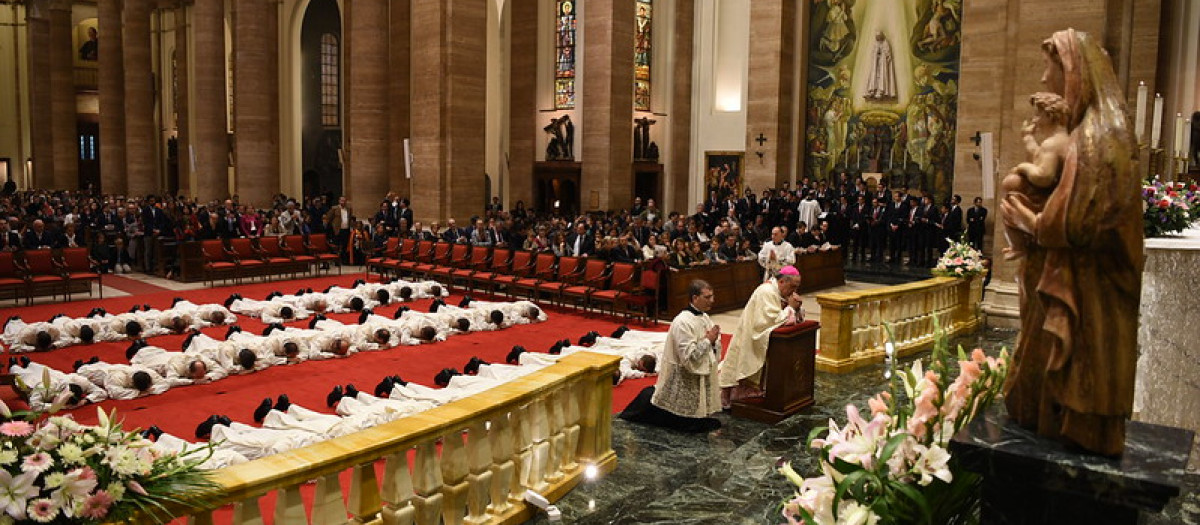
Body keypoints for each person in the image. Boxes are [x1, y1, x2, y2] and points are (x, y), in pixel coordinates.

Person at [1000, 29, 1140, 456]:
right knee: (1037, 370)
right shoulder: (1083, 134)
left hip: (1089, 286)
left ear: (1074, 73)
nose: (1044, 79)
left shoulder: (1099, 139)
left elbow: (1082, 220)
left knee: (1078, 373)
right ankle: (1046, 414)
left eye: (1050, 68)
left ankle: (1074, 426)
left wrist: (1028, 220)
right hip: (1065, 272)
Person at [619, 280, 722, 432]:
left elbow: (713, 344)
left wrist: (713, 342)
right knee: (680, 417)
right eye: (707, 297)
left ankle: (697, 417)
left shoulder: (704, 317)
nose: (712, 301)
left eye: (712, 296)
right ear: (694, 298)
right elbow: (688, 356)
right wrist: (708, 340)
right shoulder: (683, 321)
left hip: (698, 372)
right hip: (683, 375)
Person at [718, 266, 804, 409]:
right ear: (782, 281)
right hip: (752, 335)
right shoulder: (766, 292)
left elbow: (784, 314)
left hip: (762, 336)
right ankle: (737, 397)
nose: (794, 291)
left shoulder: (778, 291)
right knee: (744, 364)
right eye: (792, 286)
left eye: (796, 287)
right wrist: (791, 308)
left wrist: (796, 308)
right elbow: (769, 320)